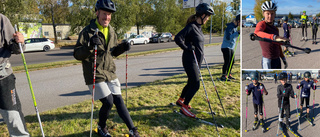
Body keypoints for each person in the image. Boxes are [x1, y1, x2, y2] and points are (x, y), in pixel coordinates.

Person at [73, 0, 139, 136]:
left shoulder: (111, 30)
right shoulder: (87, 32)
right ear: (97, 13)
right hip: (94, 73)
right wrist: (90, 45)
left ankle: (133, 130)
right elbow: (77, 54)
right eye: (104, 14)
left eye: (109, 15)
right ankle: (101, 127)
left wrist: (122, 48)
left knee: (119, 100)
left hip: (110, 72)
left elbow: (113, 52)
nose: (107, 17)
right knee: (108, 102)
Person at [174, 3, 214, 118]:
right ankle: (184, 108)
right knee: (195, 85)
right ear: (202, 15)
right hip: (190, 60)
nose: (207, 19)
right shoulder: (191, 26)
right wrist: (186, 48)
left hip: (196, 60)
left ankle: (181, 100)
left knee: (190, 82)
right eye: (207, 16)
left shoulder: (198, 28)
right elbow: (178, 38)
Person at [0, 13, 30, 136]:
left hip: (3, 77)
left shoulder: (1, 19)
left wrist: (20, 42)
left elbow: (15, 47)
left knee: (13, 117)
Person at [254, 1, 288, 69]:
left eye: (272, 13)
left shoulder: (275, 29)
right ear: (263, 13)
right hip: (267, 59)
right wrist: (274, 37)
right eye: (268, 13)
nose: (270, 16)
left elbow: (278, 45)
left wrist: (283, 58)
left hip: (277, 59)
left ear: (275, 14)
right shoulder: (262, 24)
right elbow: (257, 33)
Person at [219, 14, 240, 81]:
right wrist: (237, 33)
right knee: (227, 61)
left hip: (230, 47)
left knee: (232, 61)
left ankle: (228, 74)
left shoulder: (234, 27)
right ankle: (223, 76)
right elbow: (228, 38)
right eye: (241, 22)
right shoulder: (230, 27)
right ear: (238, 21)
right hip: (226, 47)